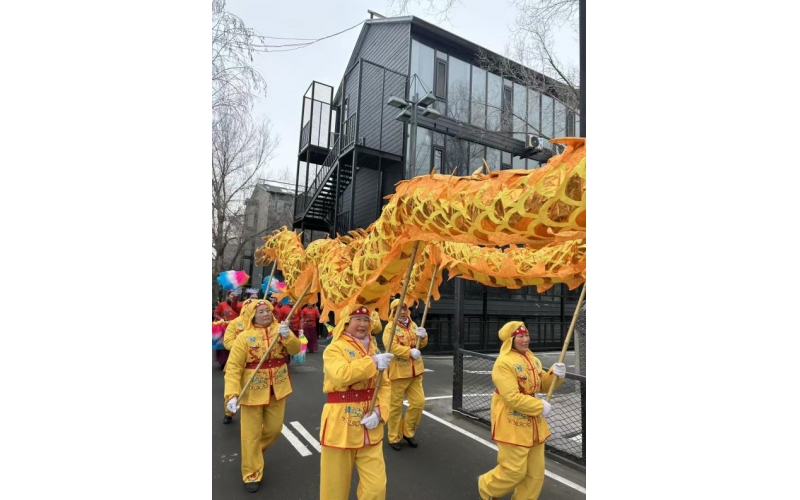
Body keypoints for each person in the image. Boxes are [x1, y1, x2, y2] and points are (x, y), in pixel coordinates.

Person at [477, 321, 567, 500]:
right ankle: (487, 487)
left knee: (535, 474)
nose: (525, 340)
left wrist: (555, 375)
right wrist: (539, 406)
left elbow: (541, 384)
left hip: (534, 425)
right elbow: (511, 397)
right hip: (512, 423)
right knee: (513, 472)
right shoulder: (503, 363)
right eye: (520, 336)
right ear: (511, 340)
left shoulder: (532, 358)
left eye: (526, 335)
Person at [224, 300, 302, 493]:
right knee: (250, 435)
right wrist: (232, 395)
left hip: (278, 387)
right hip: (251, 390)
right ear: (252, 315)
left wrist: (288, 337)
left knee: (275, 429)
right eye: (261, 312)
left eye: (268, 310)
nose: (266, 314)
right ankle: (251, 472)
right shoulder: (244, 337)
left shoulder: (281, 330)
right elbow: (233, 368)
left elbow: (295, 350)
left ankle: (253, 454)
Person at [319, 306, 394, 500]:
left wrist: (379, 412)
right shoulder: (334, 348)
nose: (362, 324)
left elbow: (385, 385)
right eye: (357, 319)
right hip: (340, 424)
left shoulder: (374, 348)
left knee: (376, 489)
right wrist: (373, 362)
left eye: (366, 319)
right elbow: (341, 375)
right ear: (346, 321)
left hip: (371, 426)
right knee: (334, 489)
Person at [382, 299, 427, 451]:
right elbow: (391, 346)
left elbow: (421, 345)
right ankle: (394, 436)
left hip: (416, 372)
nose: (401, 312)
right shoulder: (390, 327)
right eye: (397, 309)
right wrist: (409, 352)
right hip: (398, 373)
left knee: (419, 403)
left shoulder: (414, 325)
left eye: (403, 308)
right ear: (392, 311)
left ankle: (408, 431)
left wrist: (424, 336)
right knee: (395, 407)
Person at [220, 298, 257, 424]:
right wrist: (242, 346)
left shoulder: (259, 323)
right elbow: (227, 342)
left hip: (255, 364)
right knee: (233, 389)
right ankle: (228, 412)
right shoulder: (235, 323)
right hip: (237, 362)